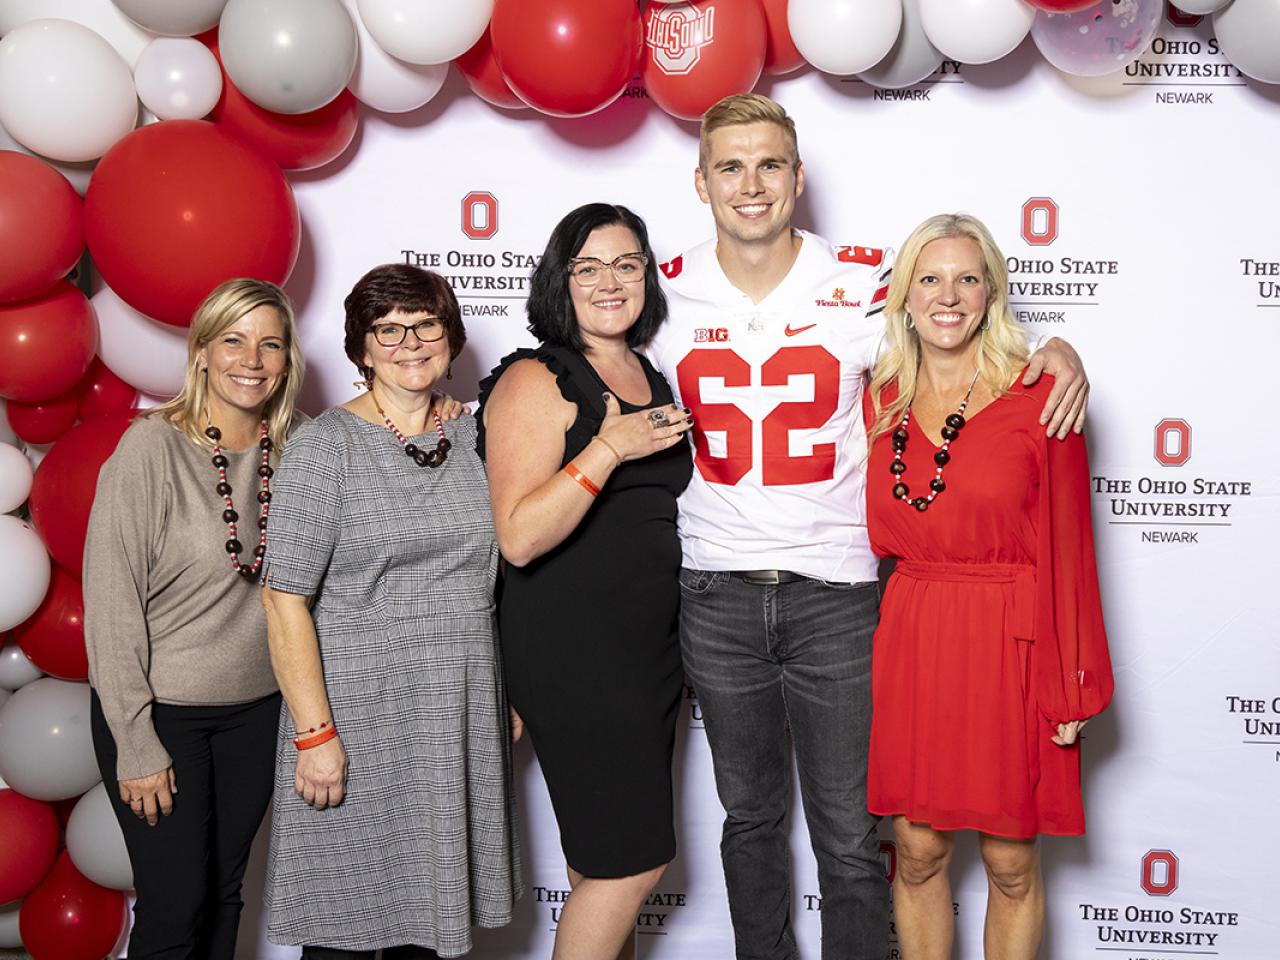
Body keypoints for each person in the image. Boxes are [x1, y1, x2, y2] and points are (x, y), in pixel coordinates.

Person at [642, 93, 1090, 960]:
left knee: (856, 832)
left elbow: (959, 321)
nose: (751, 184)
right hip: (715, 586)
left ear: (799, 177)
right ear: (700, 183)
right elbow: (581, 355)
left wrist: (1058, 346)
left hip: (840, 592)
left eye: (770, 164)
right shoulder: (661, 291)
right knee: (749, 820)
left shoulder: (866, 282)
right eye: (730, 166)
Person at [863, 213, 1113, 959]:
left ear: (992, 293)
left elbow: (1072, 548)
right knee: (916, 852)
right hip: (913, 634)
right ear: (903, 295)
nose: (948, 296)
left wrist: (1073, 683)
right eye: (929, 278)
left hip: (1010, 638)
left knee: (1009, 861)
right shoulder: (876, 403)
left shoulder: (1042, 398)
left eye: (968, 278)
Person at [260, 264, 522, 960]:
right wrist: (316, 736)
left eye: (426, 325)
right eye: (389, 330)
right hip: (357, 712)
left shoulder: (476, 438)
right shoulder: (326, 448)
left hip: (455, 709)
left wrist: (511, 689)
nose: (410, 343)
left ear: (450, 337)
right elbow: (283, 597)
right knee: (343, 932)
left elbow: (507, 574)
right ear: (363, 348)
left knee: (425, 934)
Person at [476, 203, 693, 960]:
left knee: (599, 863)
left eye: (627, 263)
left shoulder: (648, 371)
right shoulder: (538, 377)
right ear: (558, 280)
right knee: (635, 862)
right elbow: (520, 535)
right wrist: (608, 449)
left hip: (649, 654)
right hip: (574, 653)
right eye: (587, 267)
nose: (610, 282)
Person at [84, 278, 305, 959]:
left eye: (270, 343)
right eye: (233, 339)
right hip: (162, 715)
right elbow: (111, 603)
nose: (252, 358)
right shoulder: (150, 450)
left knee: (224, 894)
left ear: (288, 359)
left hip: (257, 712)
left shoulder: (297, 454)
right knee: (175, 907)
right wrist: (136, 741)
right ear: (202, 351)